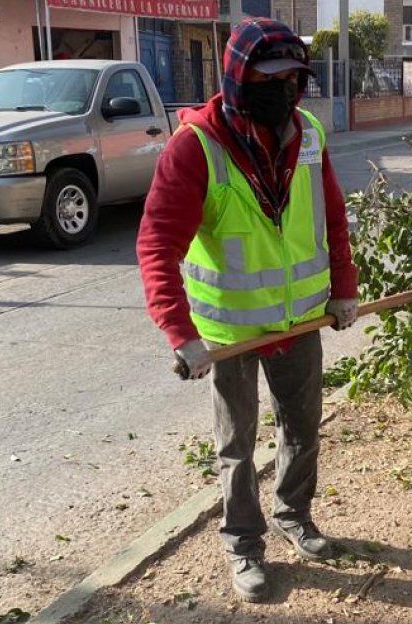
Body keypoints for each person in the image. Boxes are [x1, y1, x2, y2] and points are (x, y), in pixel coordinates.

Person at [136, 18, 358, 603]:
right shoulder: (197, 147)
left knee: (303, 429)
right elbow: (158, 242)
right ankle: (243, 544)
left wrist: (344, 287)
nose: (284, 89)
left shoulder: (307, 133)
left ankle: (294, 516)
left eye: (294, 77)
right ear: (238, 77)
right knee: (237, 446)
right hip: (229, 332)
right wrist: (179, 333)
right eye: (270, 76)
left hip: (301, 322)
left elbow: (332, 218)